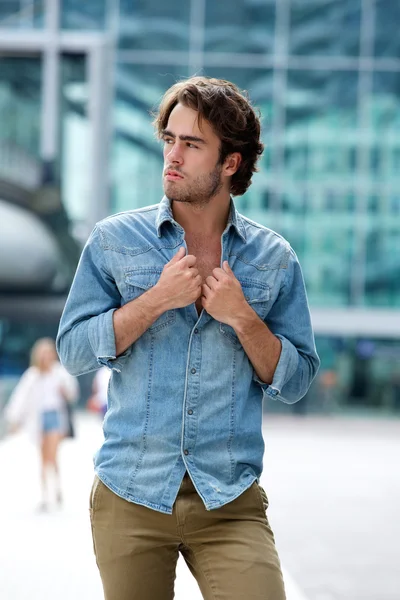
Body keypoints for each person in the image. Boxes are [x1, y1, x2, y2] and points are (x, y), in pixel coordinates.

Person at [57, 76, 320, 600]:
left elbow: (297, 380)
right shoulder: (113, 240)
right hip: (130, 493)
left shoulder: (274, 258)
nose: (172, 156)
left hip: (230, 501)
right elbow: (73, 351)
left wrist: (243, 317)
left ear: (231, 163)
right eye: (170, 139)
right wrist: (155, 300)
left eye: (192, 144)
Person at [5, 337, 78, 510]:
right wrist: (14, 420)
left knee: (51, 455)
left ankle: (55, 490)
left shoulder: (60, 373)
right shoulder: (32, 375)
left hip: (55, 417)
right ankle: (47, 494)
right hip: (38, 419)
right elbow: (20, 398)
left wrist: (64, 392)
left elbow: (72, 394)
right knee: (44, 457)